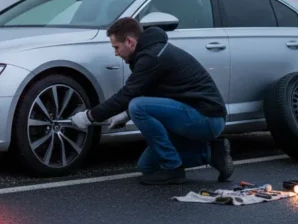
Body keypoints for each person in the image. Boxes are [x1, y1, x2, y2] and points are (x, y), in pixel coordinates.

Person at [70, 17, 234, 185]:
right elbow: (147, 92)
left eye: (116, 47)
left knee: (138, 106)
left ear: (129, 41)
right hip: (191, 115)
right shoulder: (149, 52)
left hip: (207, 117)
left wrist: (89, 117)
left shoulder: (152, 57)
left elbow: (126, 95)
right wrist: (125, 115)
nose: (115, 53)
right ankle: (212, 153)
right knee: (147, 166)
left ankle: (173, 168)